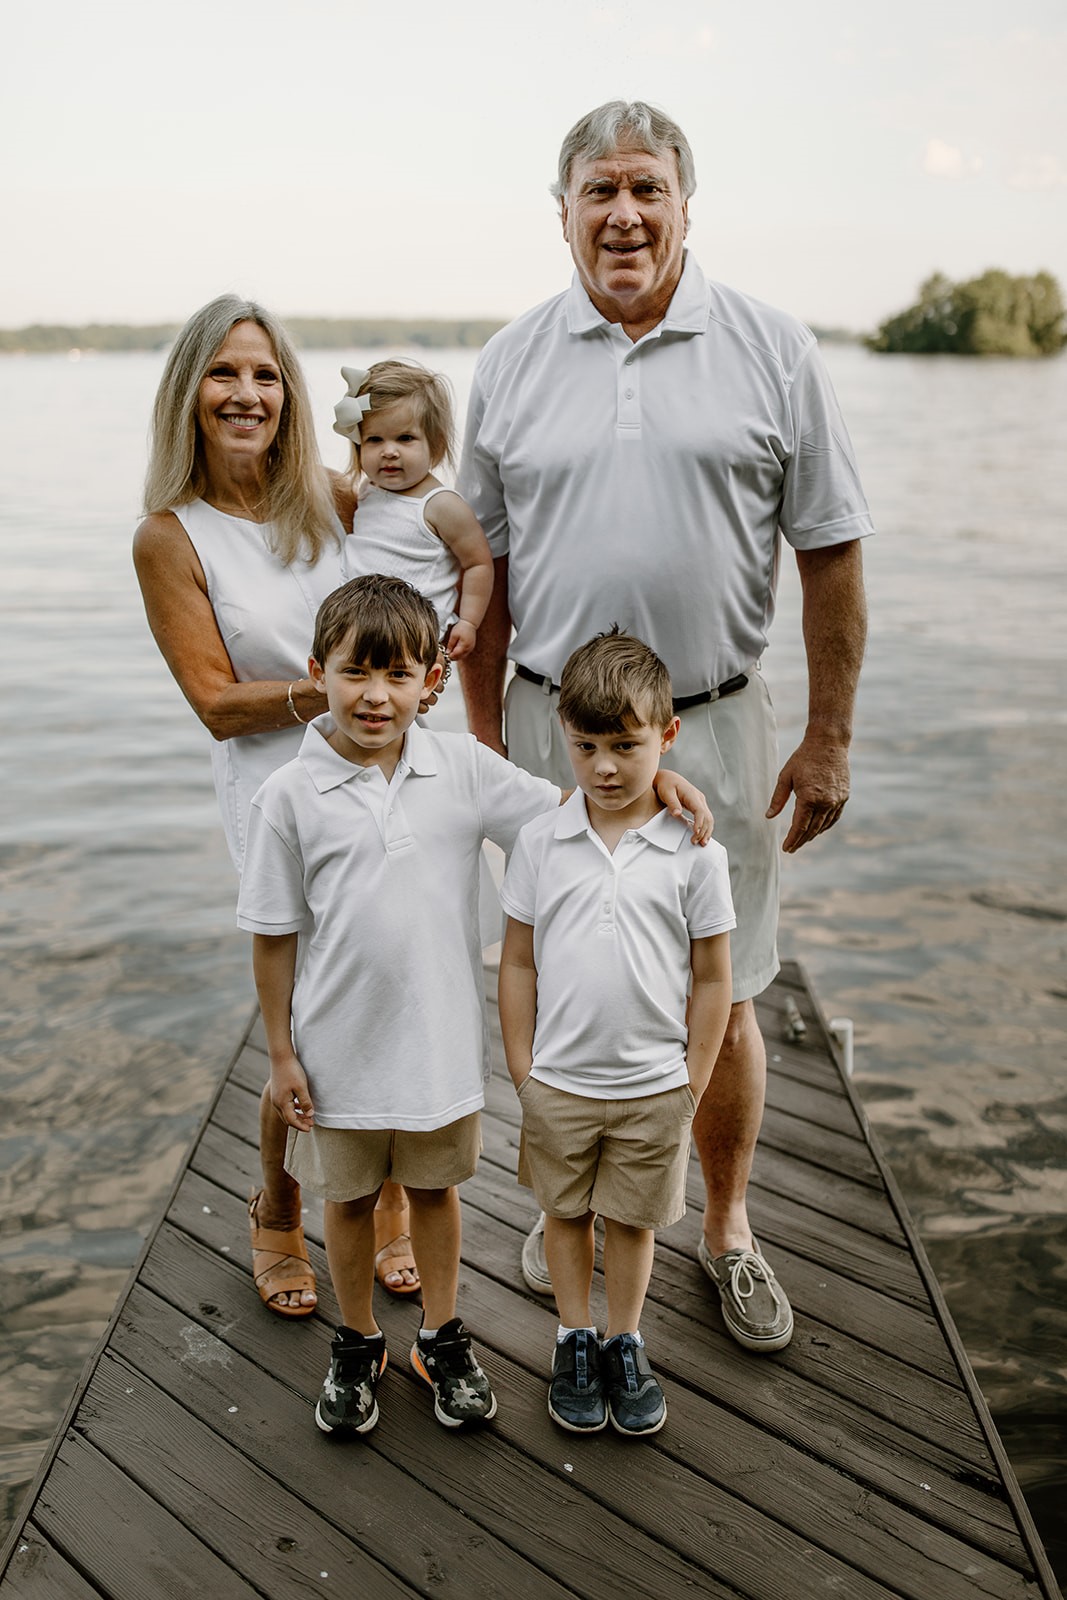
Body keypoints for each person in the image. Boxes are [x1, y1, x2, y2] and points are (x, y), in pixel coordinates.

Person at [459, 101, 873, 1353]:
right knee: (559, 976)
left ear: (687, 205)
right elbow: (480, 576)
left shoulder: (771, 349)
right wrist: (485, 751)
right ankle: (571, 1208)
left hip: (713, 730)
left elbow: (833, 553)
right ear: (564, 210)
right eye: (598, 191)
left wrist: (830, 736)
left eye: (646, 188)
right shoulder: (513, 360)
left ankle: (726, 1225)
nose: (623, 214)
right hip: (545, 734)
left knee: (725, 987)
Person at [235, 576, 713, 1435]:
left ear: (433, 683)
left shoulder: (460, 768)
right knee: (344, 1202)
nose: (375, 696)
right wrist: (279, 1053)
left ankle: (442, 1336)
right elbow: (272, 936)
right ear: (317, 672)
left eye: (397, 676)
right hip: (336, 1051)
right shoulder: (287, 798)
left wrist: (661, 782)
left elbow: (578, 806)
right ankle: (356, 1341)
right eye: (354, 673)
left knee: (433, 1194)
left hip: (440, 1050)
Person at [132, 295, 418, 1315]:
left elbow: (437, 542)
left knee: (389, 995)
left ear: (290, 394)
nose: (246, 393)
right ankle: (275, 1208)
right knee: (304, 1026)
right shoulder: (171, 538)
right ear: (189, 395)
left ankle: (387, 1204)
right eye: (223, 373)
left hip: (387, 784)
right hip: (278, 797)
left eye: (263, 374)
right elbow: (215, 703)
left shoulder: (335, 500)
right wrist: (335, 693)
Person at [499, 630, 735, 1436]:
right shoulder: (540, 841)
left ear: (665, 737)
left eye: (625, 746)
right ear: (563, 735)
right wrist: (523, 1069)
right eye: (585, 745)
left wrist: (692, 1082)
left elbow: (711, 978)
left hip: (652, 1085)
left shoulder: (695, 854)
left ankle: (624, 1340)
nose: (603, 766)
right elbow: (519, 963)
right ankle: (573, 1337)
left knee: (633, 1221)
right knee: (564, 1213)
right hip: (560, 1081)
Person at [333, 360, 494, 661]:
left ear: (436, 444)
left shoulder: (439, 504)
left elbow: (478, 563)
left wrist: (469, 621)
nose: (389, 451)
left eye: (405, 438)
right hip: (356, 628)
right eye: (374, 439)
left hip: (411, 637)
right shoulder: (369, 490)